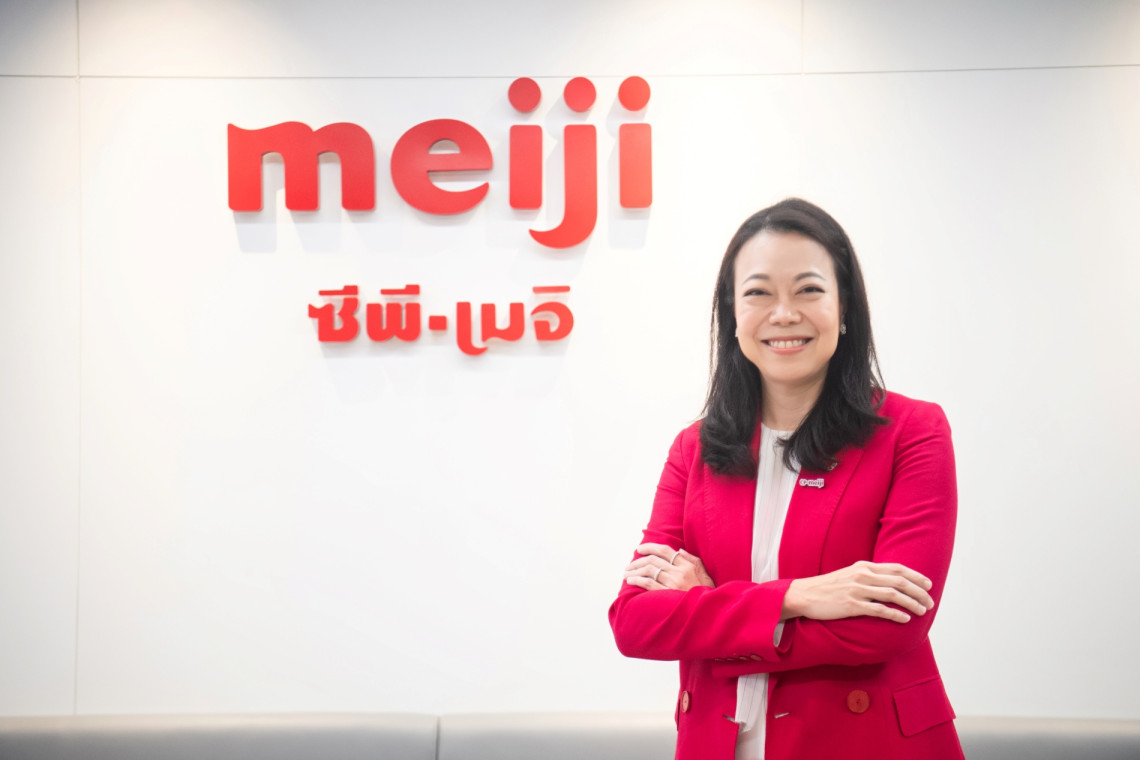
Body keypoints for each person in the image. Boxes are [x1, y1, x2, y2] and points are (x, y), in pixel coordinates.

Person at [608, 199, 963, 760]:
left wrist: (707, 608)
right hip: (715, 745)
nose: (783, 313)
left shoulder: (912, 432)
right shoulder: (694, 449)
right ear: (732, 314)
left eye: (808, 290)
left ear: (844, 309)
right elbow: (635, 622)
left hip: (864, 745)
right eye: (758, 293)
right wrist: (802, 596)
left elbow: (892, 624)